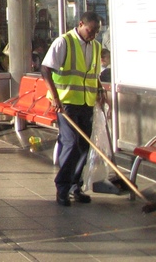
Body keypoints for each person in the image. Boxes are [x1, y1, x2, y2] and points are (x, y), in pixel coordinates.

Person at [41, 11, 106, 206]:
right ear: (81, 24)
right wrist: (54, 97)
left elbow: (93, 74)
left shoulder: (95, 46)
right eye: (90, 30)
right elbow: (45, 69)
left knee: (84, 145)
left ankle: (75, 185)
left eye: (96, 32)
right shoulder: (64, 42)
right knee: (71, 143)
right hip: (66, 102)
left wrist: (100, 89)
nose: (92, 35)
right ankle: (62, 187)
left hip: (86, 102)